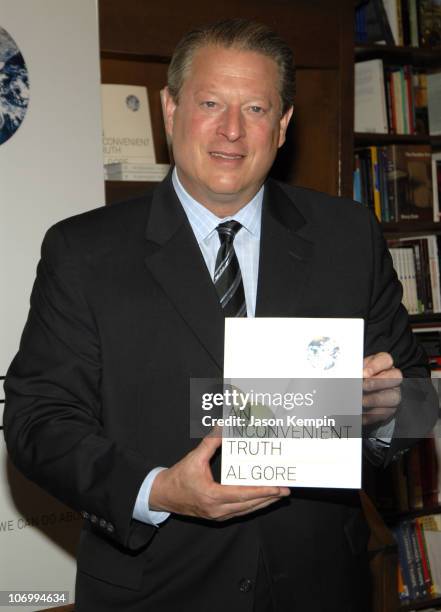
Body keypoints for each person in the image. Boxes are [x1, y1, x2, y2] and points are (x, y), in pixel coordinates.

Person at [3, 18, 430, 612]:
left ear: (282, 126)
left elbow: (416, 396)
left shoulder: (347, 236)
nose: (232, 130)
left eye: (255, 108)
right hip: (156, 590)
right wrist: (158, 490)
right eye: (210, 103)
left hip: (319, 587)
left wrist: (386, 413)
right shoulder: (84, 252)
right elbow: (37, 421)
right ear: (169, 108)